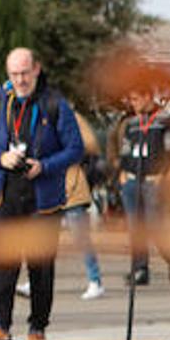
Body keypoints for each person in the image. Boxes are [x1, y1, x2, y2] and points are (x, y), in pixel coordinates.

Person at [0, 48, 83, 340]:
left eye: (24, 73)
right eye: (14, 74)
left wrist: (44, 166)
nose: (19, 80)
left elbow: (75, 149)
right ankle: (1, 324)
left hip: (42, 198)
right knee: (3, 264)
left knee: (41, 266)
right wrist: (0, 158)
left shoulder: (55, 103)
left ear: (36, 70)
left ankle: (37, 327)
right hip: (5, 195)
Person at [115, 85, 170, 287]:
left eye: (136, 98)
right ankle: (139, 269)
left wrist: (167, 177)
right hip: (132, 180)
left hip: (153, 181)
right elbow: (125, 150)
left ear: (148, 97)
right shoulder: (132, 123)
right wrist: (122, 173)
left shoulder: (166, 121)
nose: (133, 103)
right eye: (130, 99)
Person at [62, 110, 105, 300]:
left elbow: (91, 145)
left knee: (80, 236)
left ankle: (95, 280)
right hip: (46, 187)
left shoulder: (71, 116)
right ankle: (34, 280)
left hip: (71, 185)